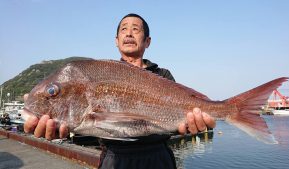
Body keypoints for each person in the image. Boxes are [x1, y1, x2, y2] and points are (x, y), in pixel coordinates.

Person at [23, 13, 216, 169]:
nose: (129, 33)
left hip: (158, 157)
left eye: (136, 29)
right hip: (115, 158)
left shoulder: (163, 74)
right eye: (124, 29)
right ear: (116, 40)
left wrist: (194, 122)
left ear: (147, 41)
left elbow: (180, 124)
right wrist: (62, 131)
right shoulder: (101, 71)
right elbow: (90, 129)